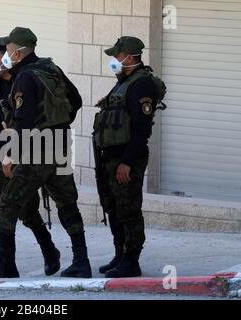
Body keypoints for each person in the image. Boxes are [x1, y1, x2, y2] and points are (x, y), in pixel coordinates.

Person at [0, 27, 92, 279]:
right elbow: (75, 100)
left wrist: (11, 154)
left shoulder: (24, 77)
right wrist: (56, 124)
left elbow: (22, 120)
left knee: (9, 203)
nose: (6, 56)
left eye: (9, 50)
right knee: (67, 203)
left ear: (19, 53)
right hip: (59, 145)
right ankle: (81, 261)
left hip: (35, 149)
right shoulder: (51, 69)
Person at [0, 37, 61, 278]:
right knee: (0, 209)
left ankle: (49, 249)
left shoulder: (22, 81)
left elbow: (27, 120)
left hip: (18, 154)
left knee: (26, 209)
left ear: (9, 56)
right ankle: (5, 265)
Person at [93, 36, 161, 278]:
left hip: (126, 158)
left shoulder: (142, 85)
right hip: (111, 157)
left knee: (128, 209)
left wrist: (127, 163)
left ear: (130, 57)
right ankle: (120, 255)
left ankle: (131, 261)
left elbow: (141, 129)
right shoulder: (125, 81)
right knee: (113, 208)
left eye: (117, 56)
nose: (114, 60)